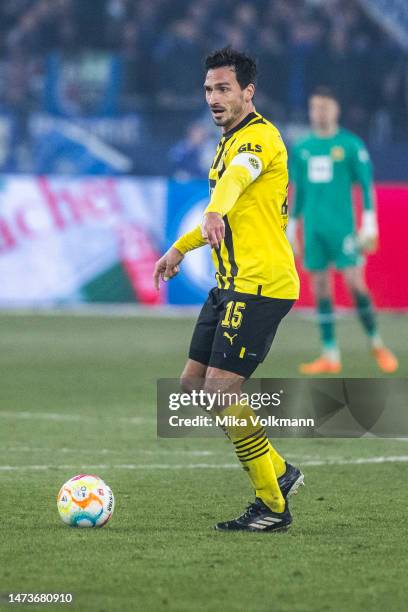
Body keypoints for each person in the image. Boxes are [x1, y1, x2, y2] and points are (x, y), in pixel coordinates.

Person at [154, 47, 303, 533]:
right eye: (208, 90)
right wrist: (180, 247)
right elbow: (226, 212)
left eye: (223, 89)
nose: (214, 98)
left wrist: (215, 209)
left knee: (221, 389)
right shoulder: (227, 140)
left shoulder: (259, 139)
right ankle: (279, 471)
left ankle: (272, 505)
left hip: (261, 285)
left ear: (247, 92)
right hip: (228, 286)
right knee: (192, 387)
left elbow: (237, 183)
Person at [288, 87, 398, 375]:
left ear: (335, 111)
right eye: (315, 108)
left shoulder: (350, 145)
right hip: (313, 229)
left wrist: (369, 223)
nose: (320, 113)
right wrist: (291, 229)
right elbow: (297, 192)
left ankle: (375, 342)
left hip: (344, 229)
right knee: (320, 286)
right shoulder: (302, 148)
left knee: (354, 284)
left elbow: (365, 185)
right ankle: (330, 354)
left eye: (325, 107)